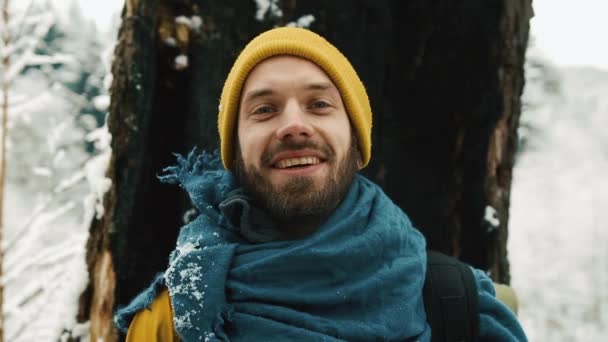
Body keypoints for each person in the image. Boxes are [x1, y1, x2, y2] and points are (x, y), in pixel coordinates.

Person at [115, 27, 527, 342]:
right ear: (235, 152)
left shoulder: (460, 306)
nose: (294, 125)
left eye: (319, 104)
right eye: (264, 109)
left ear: (356, 138)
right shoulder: (174, 317)